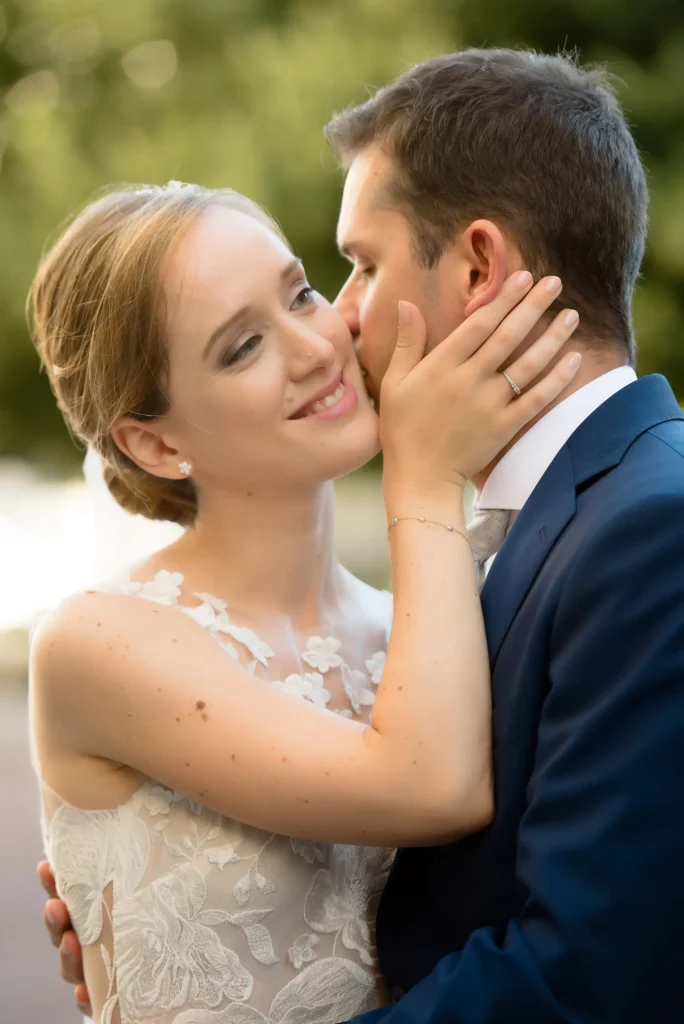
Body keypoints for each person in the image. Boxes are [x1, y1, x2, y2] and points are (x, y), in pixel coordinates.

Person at [42, 46, 684, 1023]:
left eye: (323, 281)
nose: (329, 332)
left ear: (478, 263)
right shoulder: (103, 638)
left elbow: (583, 964)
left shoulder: (589, 550)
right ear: (155, 439)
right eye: (243, 343)